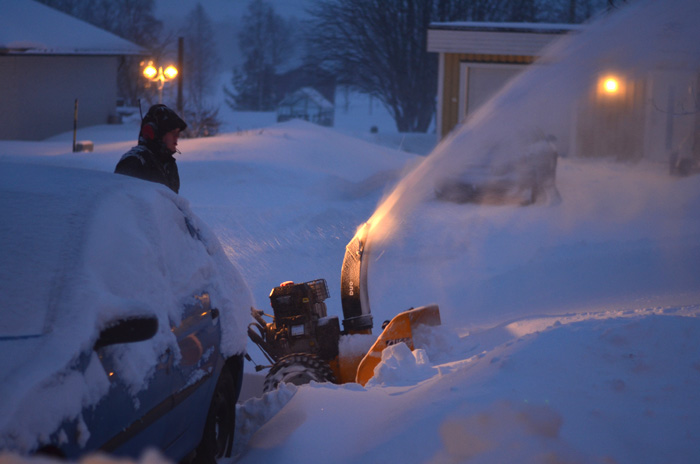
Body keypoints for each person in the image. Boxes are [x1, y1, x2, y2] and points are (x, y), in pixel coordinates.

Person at [115, 104, 187, 194]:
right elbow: (123, 202)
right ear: (154, 132)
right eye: (173, 133)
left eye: (178, 133)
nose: (177, 137)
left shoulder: (168, 163)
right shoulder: (133, 162)